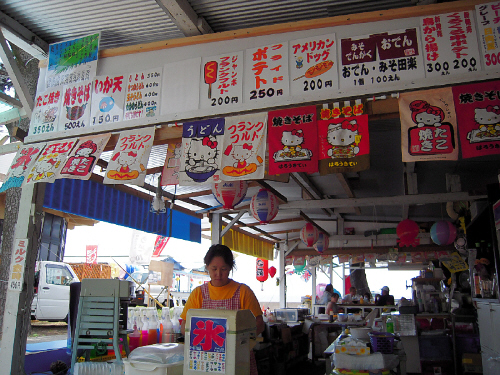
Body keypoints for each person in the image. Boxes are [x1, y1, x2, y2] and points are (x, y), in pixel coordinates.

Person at [180, 244, 264, 374]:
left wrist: (242, 344)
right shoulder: (198, 294)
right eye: (214, 268)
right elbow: (185, 325)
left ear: (230, 268)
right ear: (207, 267)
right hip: (206, 362)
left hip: (239, 360)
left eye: (223, 269)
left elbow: (259, 323)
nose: (218, 274)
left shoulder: (243, 292)